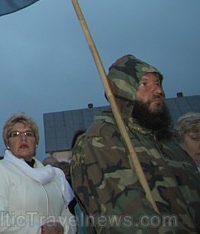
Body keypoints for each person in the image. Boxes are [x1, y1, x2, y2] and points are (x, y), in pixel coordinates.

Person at [71, 55, 200, 233]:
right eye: (144, 84)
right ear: (124, 91)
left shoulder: (171, 142)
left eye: (158, 83)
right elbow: (128, 219)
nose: (158, 91)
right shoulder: (102, 140)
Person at [0, 114, 75, 234]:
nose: (23, 138)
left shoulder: (53, 175)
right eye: (15, 134)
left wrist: (62, 227)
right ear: (7, 143)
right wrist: (40, 231)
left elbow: (68, 214)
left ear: (36, 142)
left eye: (29, 134)